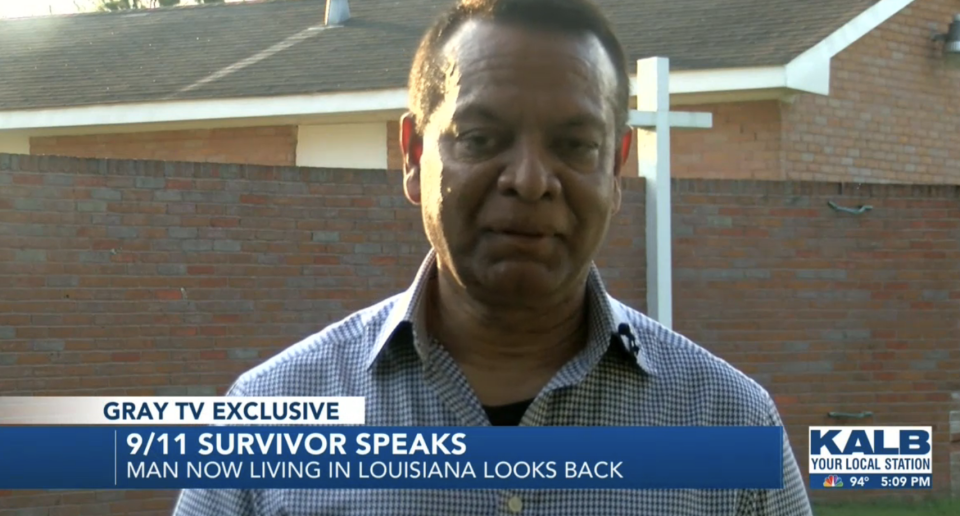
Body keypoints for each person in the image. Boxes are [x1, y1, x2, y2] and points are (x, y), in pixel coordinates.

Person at [173, 0, 813, 514]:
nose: (530, 179)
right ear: (414, 156)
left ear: (617, 170)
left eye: (574, 143)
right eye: (481, 138)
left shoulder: (731, 426)